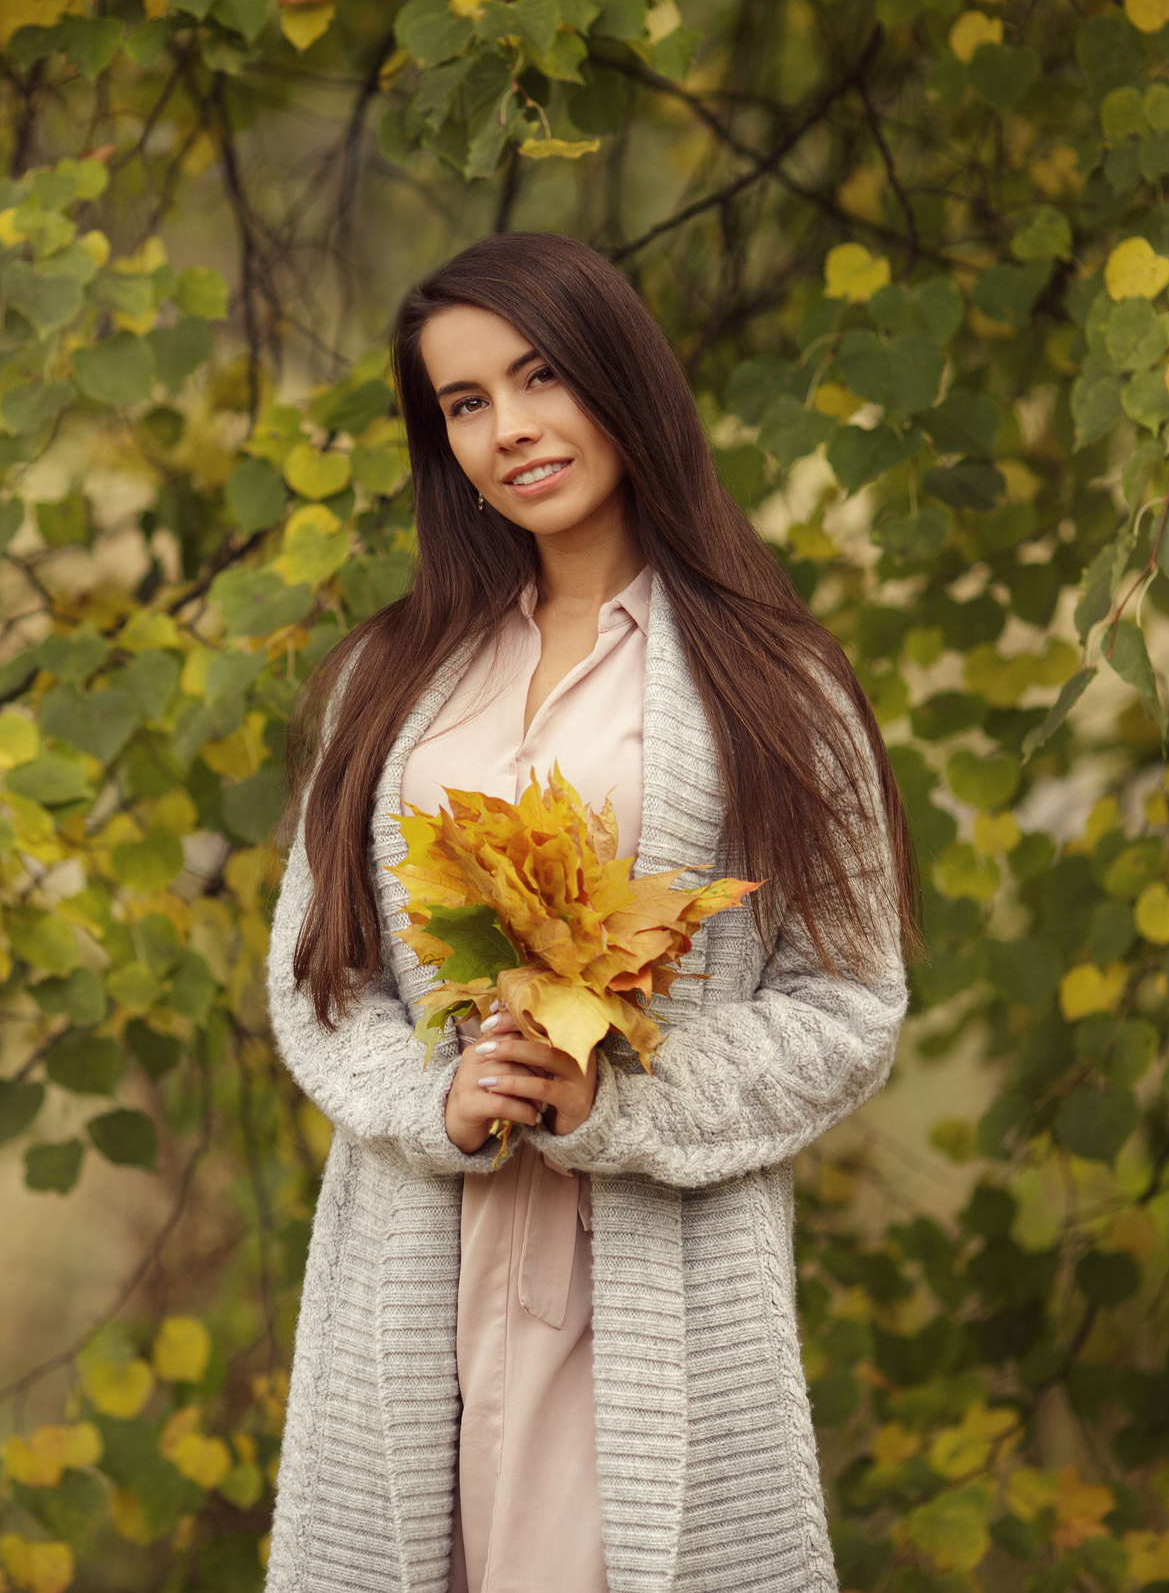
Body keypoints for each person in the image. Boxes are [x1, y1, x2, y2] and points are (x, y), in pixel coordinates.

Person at [262, 231, 921, 1593]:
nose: (509, 430)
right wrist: (434, 1105)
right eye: (463, 404)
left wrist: (615, 1101)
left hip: (650, 1293)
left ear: (619, 378)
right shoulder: (392, 679)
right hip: (414, 1284)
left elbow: (847, 1007)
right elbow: (319, 980)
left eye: (539, 376)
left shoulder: (777, 684)